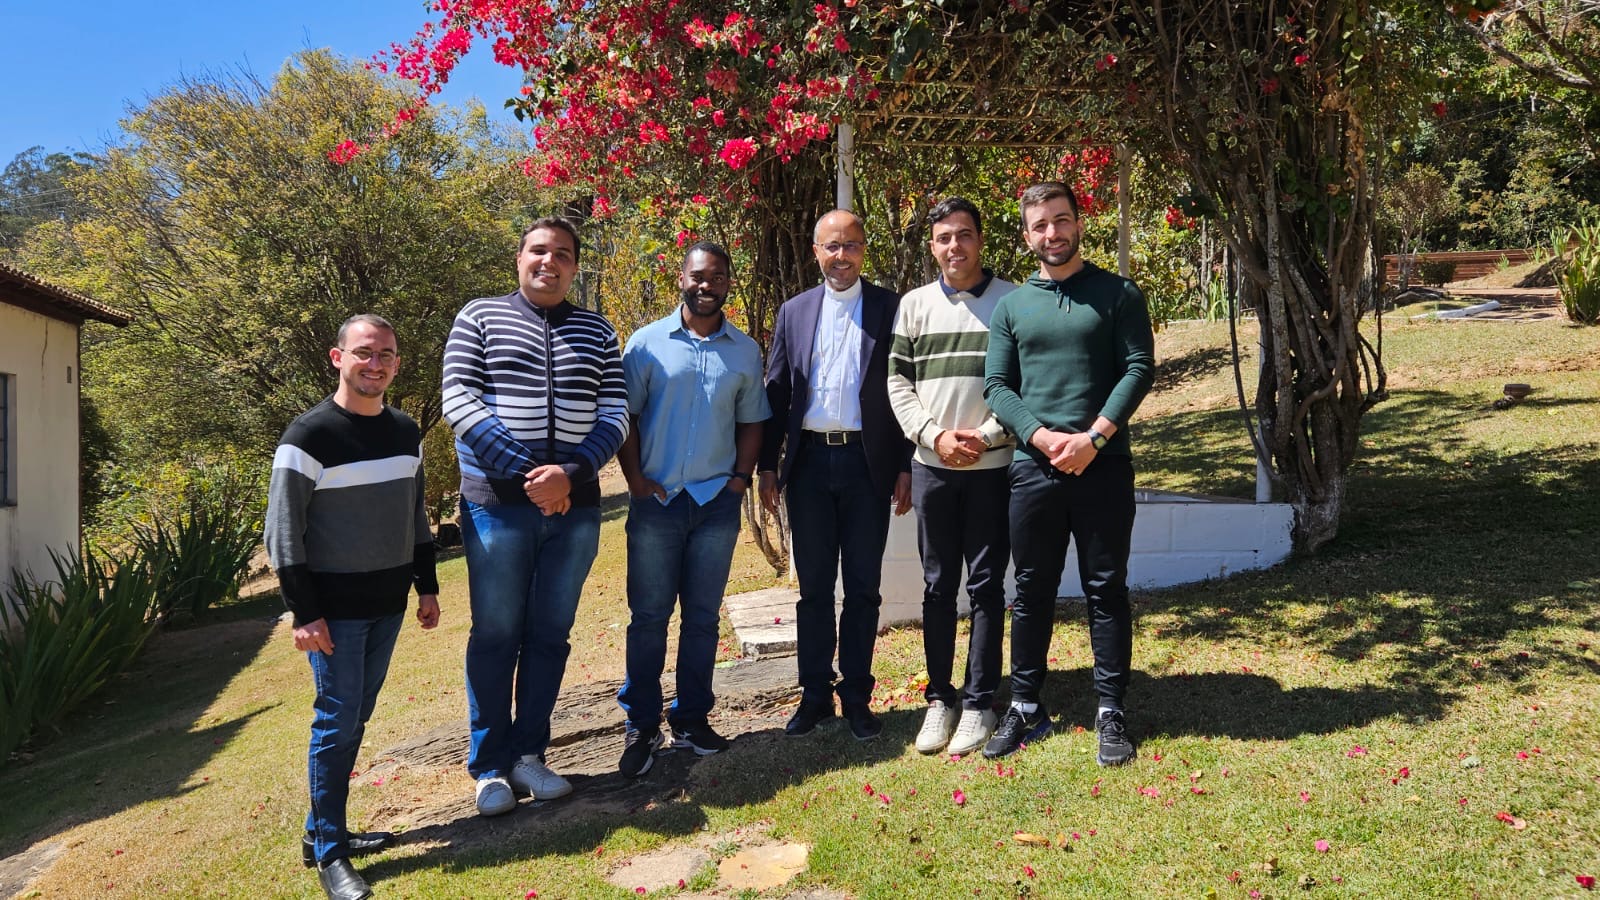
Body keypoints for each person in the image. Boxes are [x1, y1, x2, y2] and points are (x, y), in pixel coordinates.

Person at [442, 217, 628, 816]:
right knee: (496, 634)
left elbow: (616, 414)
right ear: (519, 257)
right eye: (540, 251)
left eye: (564, 255)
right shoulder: (479, 317)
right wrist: (535, 478)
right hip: (497, 508)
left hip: (574, 511)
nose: (551, 263)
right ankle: (491, 767)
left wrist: (568, 478)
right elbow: (460, 402)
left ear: (575, 267)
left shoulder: (598, 331)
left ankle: (530, 755)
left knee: (550, 636)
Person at [266, 314, 441, 900]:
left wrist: (427, 586)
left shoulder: (405, 431)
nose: (377, 363)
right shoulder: (307, 437)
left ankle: (323, 832)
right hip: (333, 614)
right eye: (365, 353)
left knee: (355, 719)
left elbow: (414, 515)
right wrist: (303, 611)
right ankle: (332, 857)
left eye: (387, 354)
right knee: (336, 723)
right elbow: (284, 535)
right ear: (338, 358)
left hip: (387, 606)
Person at [982, 182, 1155, 765]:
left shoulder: (1118, 293)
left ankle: (1111, 711)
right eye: (1040, 225)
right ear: (1027, 235)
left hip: (1103, 467)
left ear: (1080, 223)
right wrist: (1042, 436)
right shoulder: (1012, 307)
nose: (1051, 233)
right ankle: (1025, 706)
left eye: (1061, 221)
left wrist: (1094, 438)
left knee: (1106, 589)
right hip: (1035, 471)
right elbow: (998, 387)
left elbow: (1138, 368)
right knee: (1031, 590)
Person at [614, 241, 771, 776]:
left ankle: (692, 720)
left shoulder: (744, 351)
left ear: (729, 282)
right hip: (656, 504)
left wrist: (740, 480)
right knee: (649, 619)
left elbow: (754, 420)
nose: (708, 285)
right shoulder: (646, 344)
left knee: (702, 619)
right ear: (681, 278)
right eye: (698, 276)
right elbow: (626, 415)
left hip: (714, 505)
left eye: (719, 277)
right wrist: (635, 479)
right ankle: (641, 726)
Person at [758, 208, 913, 742]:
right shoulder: (794, 311)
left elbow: (904, 392)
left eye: (850, 246)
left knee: (864, 588)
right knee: (814, 591)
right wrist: (766, 467)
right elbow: (777, 393)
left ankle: (857, 698)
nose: (840, 256)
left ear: (862, 249)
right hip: (808, 467)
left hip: (866, 464)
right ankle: (815, 695)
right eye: (831, 246)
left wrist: (903, 465)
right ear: (816, 251)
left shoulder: (892, 308)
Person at [887, 197, 1017, 756]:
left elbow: (1024, 385)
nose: (954, 247)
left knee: (987, 587)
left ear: (980, 239)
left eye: (964, 234)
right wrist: (933, 436)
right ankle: (940, 698)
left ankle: (979, 702)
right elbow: (898, 384)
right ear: (933, 245)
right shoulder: (914, 306)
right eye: (943, 237)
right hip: (932, 468)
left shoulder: (1013, 301)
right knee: (939, 587)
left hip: (992, 470)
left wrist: (986, 438)